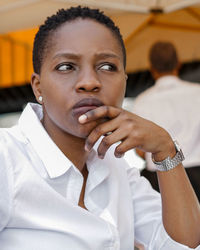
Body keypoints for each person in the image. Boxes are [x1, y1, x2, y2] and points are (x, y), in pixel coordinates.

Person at [0, 7, 200, 250]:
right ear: (38, 87)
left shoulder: (115, 164)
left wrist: (166, 150)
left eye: (107, 67)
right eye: (66, 67)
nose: (89, 82)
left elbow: (183, 245)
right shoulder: (7, 158)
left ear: (125, 82)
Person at [133, 41, 200, 200]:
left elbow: (140, 150)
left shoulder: (143, 101)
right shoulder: (198, 93)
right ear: (179, 64)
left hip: (159, 177)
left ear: (152, 68)